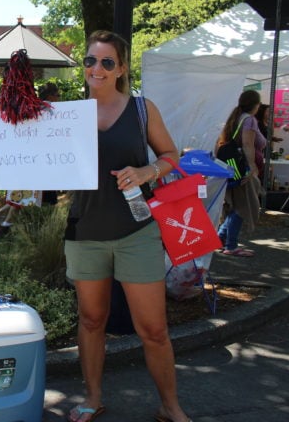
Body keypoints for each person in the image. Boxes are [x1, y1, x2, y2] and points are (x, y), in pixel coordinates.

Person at [63, 31, 190, 422]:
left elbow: (171, 154)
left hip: (137, 232)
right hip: (85, 234)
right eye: (89, 61)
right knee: (91, 321)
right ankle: (93, 397)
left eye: (106, 62)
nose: (95, 69)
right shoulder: (65, 114)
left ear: (120, 69)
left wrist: (147, 170)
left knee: (152, 329)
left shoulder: (141, 110)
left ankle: (170, 407)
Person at [216, 90, 264, 257]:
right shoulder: (249, 120)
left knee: (236, 206)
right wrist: (252, 167)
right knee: (242, 207)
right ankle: (231, 245)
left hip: (232, 167)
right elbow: (247, 144)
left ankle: (219, 239)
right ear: (256, 105)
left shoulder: (236, 117)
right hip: (242, 168)